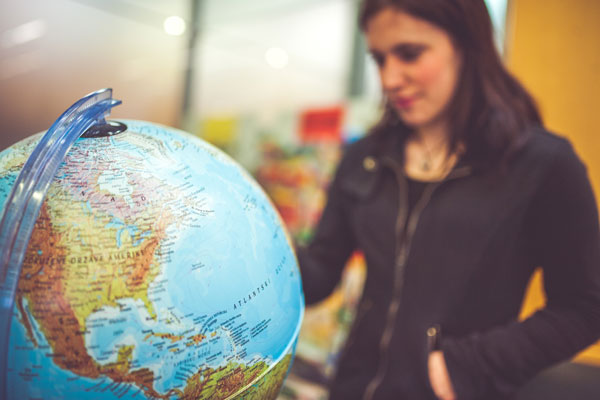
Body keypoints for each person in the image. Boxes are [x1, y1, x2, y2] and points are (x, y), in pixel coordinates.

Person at [295, 0, 600, 399]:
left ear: (467, 45)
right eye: (378, 58)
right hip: (352, 388)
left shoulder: (542, 165)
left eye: (409, 54)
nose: (389, 78)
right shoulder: (365, 158)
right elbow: (319, 272)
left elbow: (586, 305)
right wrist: (258, 248)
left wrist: (471, 365)